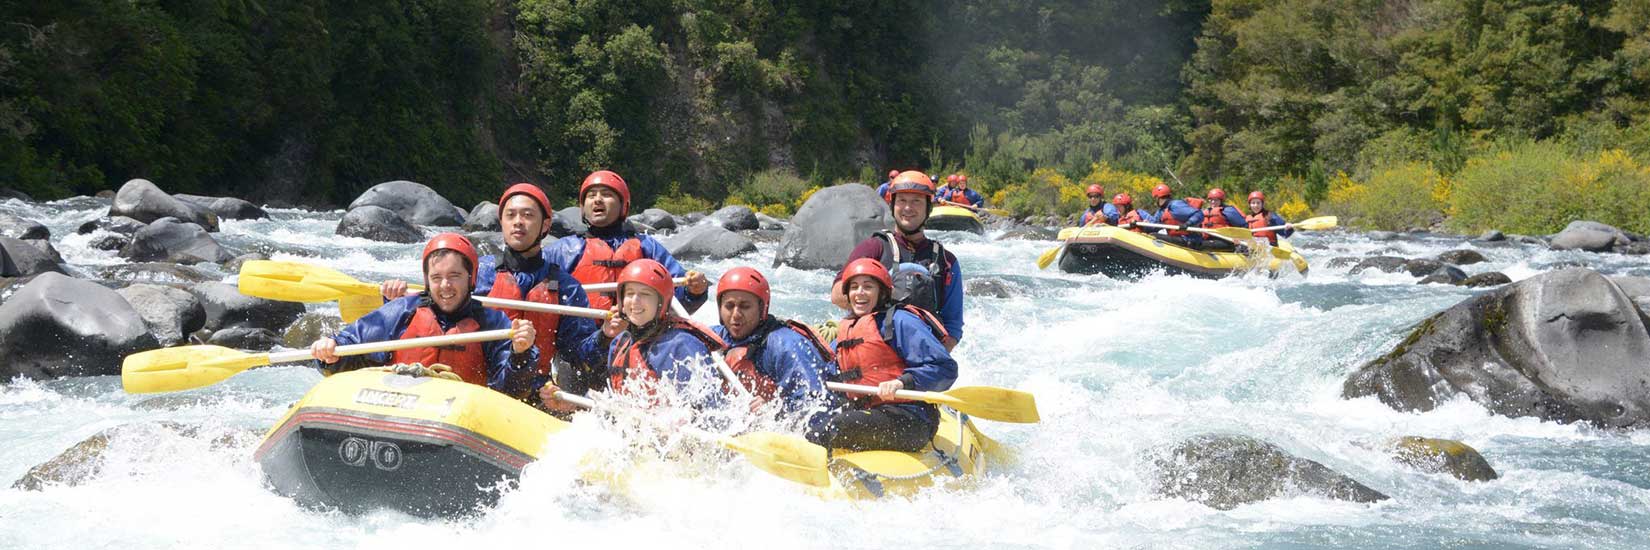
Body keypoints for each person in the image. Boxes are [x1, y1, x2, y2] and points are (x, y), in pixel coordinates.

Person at [380, 184, 601, 394]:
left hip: (533, 388)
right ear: (501, 222)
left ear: (545, 225)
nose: (518, 222)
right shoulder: (477, 272)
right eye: (511, 215)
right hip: (473, 384)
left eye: (528, 215)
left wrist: (606, 336)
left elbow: (581, 354)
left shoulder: (566, 288)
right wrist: (393, 304)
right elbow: (436, 308)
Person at [311, 233, 537, 391]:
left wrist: (521, 354)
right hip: (403, 409)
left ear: (472, 278)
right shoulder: (403, 310)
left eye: (454, 276)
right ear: (427, 281)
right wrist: (331, 351)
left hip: (461, 419)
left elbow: (511, 390)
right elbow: (351, 345)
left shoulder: (493, 322)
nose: (445, 285)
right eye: (436, 278)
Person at [812, 258, 957, 452]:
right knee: (811, 419)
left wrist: (902, 382)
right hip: (868, 411)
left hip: (910, 418)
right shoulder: (846, 330)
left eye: (868, 286)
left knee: (837, 426)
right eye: (854, 287)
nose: (860, 293)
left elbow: (944, 368)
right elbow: (826, 372)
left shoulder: (899, 321)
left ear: (881, 292)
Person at [540, 259, 726, 408]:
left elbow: (710, 408)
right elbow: (615, 402)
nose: (635, 301)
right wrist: (571, 404)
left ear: (663, 301)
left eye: (645, 294)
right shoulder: (620, 343)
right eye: (629, 293)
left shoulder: (682, 345)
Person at [543, 170, 709, 312]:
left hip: (635, 334)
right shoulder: (564, 249)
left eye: (607, 195)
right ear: (583, 207)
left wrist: (695, 291)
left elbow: (678, 298)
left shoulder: (647, 247)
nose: (597, 200)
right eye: (591, 196)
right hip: (585, 337)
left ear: (623, 206)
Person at [836, 170, 964, 350]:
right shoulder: (873, 248)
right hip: (872, 346)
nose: (908, 208)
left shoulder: (947, 261)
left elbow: (953, 325)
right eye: (902, 200)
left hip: (922, 353)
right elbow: (837, 294)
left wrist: (931, 361)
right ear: (893, 205)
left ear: (928, 208)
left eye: (916, 201)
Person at [711, 267, 839, 436]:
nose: (736, 314)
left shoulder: (786, 345)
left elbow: (815, 402)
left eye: (745, 306)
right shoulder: (713, 338)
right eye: (729, 306)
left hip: (777, 431)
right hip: (735, 426)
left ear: (762, 309)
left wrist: (775, 409)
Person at [1141, 183, 1204, 248]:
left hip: (1189, 239)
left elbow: (1199, 214)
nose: (1155, 201)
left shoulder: (1176, 205)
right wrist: (1145, 226)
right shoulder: (1161, 211)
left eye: (1155, 198)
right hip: (1176, 238)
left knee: (1154, 236)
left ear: (1158, 198)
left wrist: (1187, 223)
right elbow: (1155, 226)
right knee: (1150, 235)